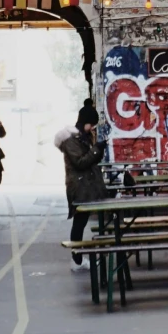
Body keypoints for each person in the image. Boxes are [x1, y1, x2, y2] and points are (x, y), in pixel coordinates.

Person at [57, 101, 109, 266]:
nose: (92, 128)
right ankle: (76, 260)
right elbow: (80, 162)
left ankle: (78, 258)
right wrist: (96, 150)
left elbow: (90, 160)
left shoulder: (82, 137)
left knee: (82, 220)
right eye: (91, 124)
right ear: (84, 122)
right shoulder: (71, 140)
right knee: (79, 221)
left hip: (87, 185)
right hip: (79, 186)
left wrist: (98, 150)